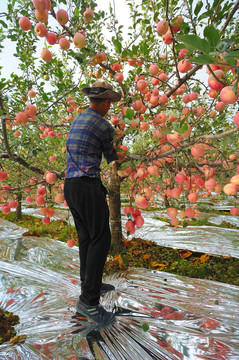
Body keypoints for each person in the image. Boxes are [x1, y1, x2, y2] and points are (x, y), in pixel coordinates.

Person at [64, 81, 121, 325]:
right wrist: (122, 157)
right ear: (106, 103)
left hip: (71, 186)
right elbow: (111, 157)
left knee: (87, 236)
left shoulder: (79, 118)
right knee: (101, 238)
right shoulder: (104, 125)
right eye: (110, 103)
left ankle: (91, 284)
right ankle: (88, 303)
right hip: (87, 185)